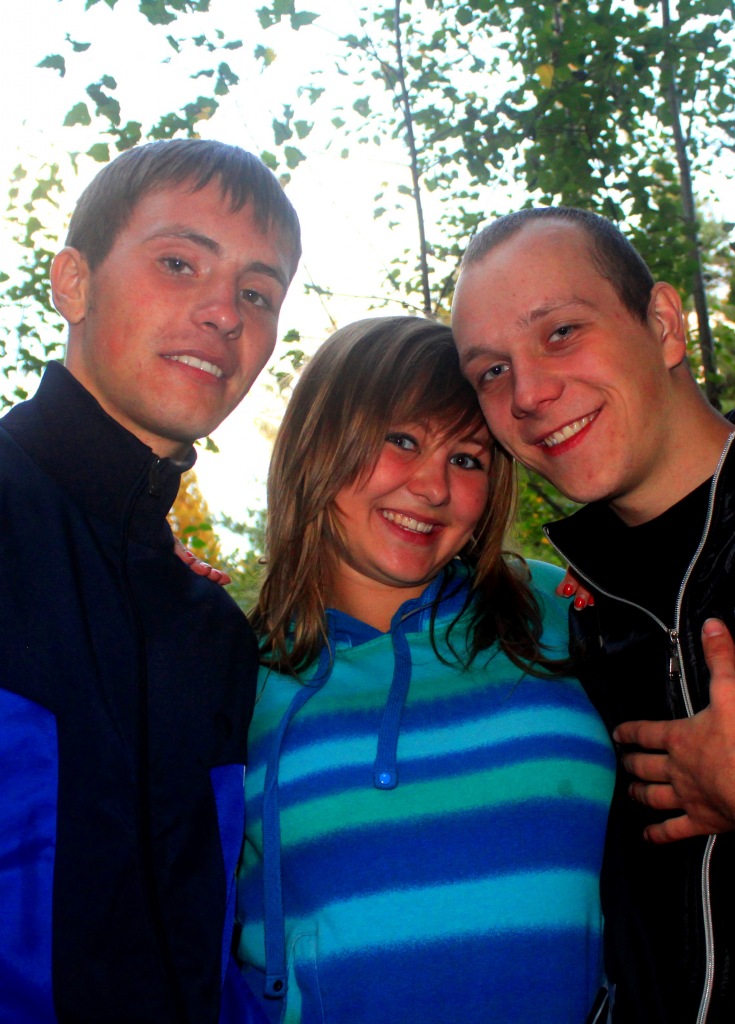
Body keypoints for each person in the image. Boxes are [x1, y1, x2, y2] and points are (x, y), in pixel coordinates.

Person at [234, 315, 615, 1024]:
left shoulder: (557, 608)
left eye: (467, 459)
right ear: (318, 440)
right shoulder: (231, 673)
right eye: (402, 440)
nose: (433, 487)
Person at [0, 138, 300, 1023]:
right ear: (74, 282)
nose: (224, 312)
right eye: (178, 263)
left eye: (257, 293)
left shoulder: (210, 630)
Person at [451, 205, 735, 1022]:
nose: (528, 393)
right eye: (491, 371)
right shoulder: (577, 622)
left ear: (662, 324)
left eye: (560, 332)